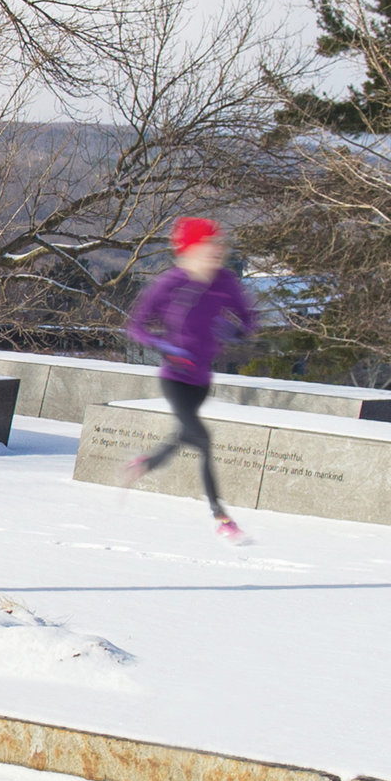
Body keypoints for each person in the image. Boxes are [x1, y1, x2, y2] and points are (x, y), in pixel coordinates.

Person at [121, 216, 257, 543]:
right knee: (203, 440)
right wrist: (165, 347)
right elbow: (136, 326)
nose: (216, 253)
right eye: (208, 247)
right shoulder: (171, 283)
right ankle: (222, 518)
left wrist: (234, 330)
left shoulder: (225, 281)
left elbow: (249, 319)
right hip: (175, 378)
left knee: (186, 434)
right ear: (190, 250)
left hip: (202, 381)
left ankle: (145, 462)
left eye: (218, 247)